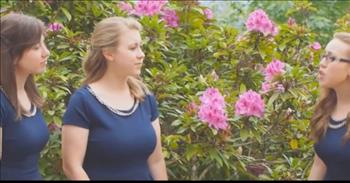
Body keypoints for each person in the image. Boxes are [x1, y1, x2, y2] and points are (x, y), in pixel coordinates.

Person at [61, 16, 168, 180]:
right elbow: (72, 167)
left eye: (140, 47)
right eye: (133, 48)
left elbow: (156, 160)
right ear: (109, 54)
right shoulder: (83, 102)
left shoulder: (145, 98)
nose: (141, 54)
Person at [0, 13, 50, 180]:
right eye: (36, 47)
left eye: (44, 44)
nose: (46, 52)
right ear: (12, 54)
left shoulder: (30, 95)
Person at [308, 32, 350, 180]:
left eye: (331, 58)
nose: (322, 63)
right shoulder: (325, 108)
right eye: (324, 56)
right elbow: (319, 164)